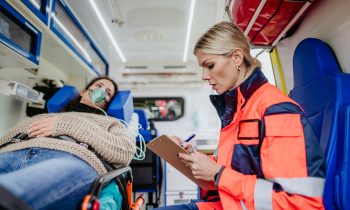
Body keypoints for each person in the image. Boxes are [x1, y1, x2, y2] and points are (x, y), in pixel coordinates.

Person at [155, 22, 326, 210]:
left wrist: (218, 174)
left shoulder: (276, 111)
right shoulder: (239, 108)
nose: (204, 76)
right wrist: (195, 159)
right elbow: (237, 169)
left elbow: (302, 205)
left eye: (210, 65)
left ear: (237, 57)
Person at [0, 76, 136, 210]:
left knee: (10, 193)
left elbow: (125, 152)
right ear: (84, 91)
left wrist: (67, 125)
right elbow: (8, 138)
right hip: (16, 150)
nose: (101, 91)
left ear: (109, 102)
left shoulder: (111, 123)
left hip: (70, 157)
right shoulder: (47, 116)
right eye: (99, 85)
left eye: (108, 92)